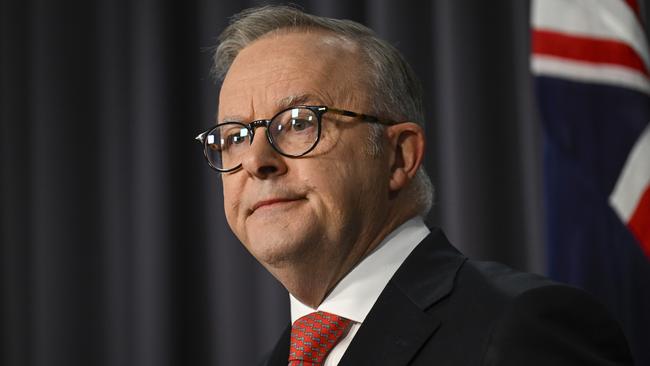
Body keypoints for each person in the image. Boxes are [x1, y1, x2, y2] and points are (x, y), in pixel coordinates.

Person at [196, 5, 633, 366]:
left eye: (297, 123)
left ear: (399, 156)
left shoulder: (522, 329)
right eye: (233, 137)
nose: (255, 161)